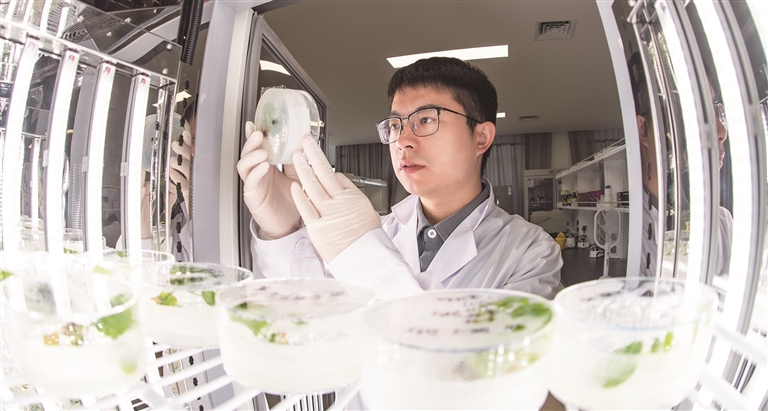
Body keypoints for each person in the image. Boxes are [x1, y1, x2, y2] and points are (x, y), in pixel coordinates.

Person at [238, 57, 562, 300]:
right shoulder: (380, 231)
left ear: (481, 137)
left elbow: (488, 364)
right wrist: (284, 233)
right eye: (395, 125)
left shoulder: (531, 253)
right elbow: (309, 322)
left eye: (426, 119)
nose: (402, 140)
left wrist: (366, 257)